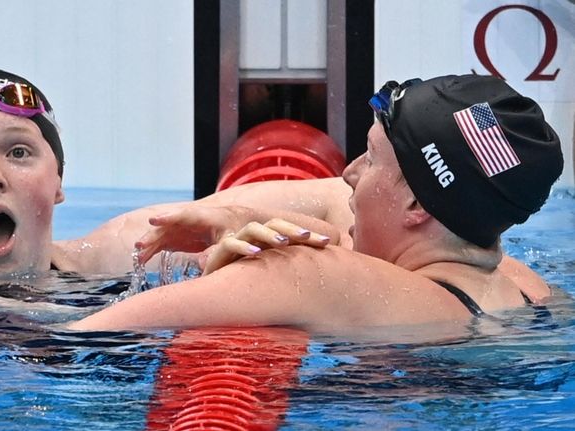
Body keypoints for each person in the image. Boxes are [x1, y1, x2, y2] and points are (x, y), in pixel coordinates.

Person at [68, 74, 563, 334]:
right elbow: (353, 250)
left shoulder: (305, 275)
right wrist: (240, 219)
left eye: (369, 160)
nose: (347, 174)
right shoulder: (525, 287)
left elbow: (79, 339)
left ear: (417, 204)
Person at [0, 67, 341, 282]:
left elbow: (341, 196)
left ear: (58, 182)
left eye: (19, 152)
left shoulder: (134, 248)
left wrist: (234, 221)